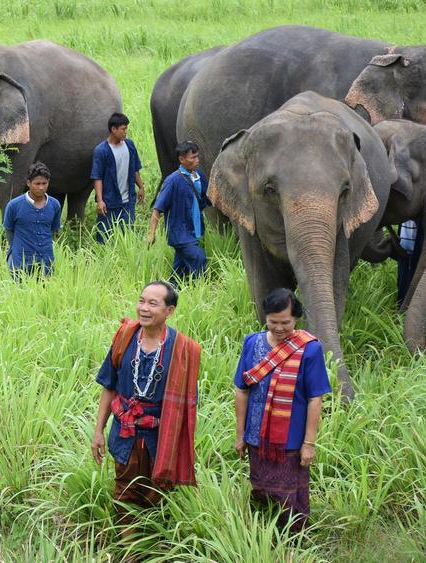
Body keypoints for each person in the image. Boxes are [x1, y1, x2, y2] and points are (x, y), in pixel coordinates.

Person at [92, 282, 200, 534]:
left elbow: (184, 404)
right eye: (141, 301)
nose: (144, 308)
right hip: (124, 433)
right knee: (124, 492)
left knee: (158, 495)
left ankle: (155, 544)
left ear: (169, 311)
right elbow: (109, 386)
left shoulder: (183, 348)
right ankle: (130, 549)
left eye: (153, 303)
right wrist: (98, 430)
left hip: (160, 438)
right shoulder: (124, 337)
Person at [233, 288, 331, 533]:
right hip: (257, 436)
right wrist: (240, 433)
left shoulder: (309, 349)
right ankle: (261, 536)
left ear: (295, 319)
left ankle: (291, 540)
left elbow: (314, 398)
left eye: (285, 322)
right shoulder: (252, 342)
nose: (278, 328)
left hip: (290, 440)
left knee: (289, 495)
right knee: (260, 487)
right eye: (272, 322)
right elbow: (241, 390)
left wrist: (309, 443)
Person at [148, 141, 211, 280]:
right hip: (180, 232)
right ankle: (200, 289)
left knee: (180, 269)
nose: (197, 160)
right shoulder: (173, 181)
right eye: (192, 158)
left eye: (197, 156)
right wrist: (151, 234)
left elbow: (209, 196)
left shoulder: (198, 175)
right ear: (181, 159)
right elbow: (157, 209)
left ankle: (173, 287)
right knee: (198, 258)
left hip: (194, 229)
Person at [91, 112, 145, 243]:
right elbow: (97, 177)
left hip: (128, 201)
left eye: (126, 128)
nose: (125, 132)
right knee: (104, 237)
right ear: (113, 129)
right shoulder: (101, 151)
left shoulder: (130, 145)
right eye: (123, 129)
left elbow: (134, 169)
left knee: (127, 236)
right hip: (109, 202)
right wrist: (100, 200)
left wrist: (141, 187)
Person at [3, 162, 62, 277]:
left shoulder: (55, 205)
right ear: (28, 183)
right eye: (37, 183)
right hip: (20, 261)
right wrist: (16, 248)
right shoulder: (14, 205)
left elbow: (53, 230)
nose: (41, 187)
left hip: (45, 260)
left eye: (44, 183)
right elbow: (8, 230)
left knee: (45, 292)